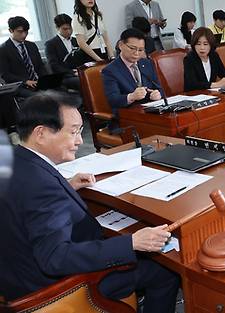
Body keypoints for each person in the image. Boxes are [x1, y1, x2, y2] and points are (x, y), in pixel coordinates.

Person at [0, 92, 180, 312]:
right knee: (165, 271)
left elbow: (25, 199)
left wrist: (66, 185)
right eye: (73, 131)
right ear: (41, 133)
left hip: (15, 276)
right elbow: (55, 258)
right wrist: (132, 242)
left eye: (80, 131)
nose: (79, 141)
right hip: (54, 289)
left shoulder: (15, 161)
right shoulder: (42, 187)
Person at [102, 29, 162, 128]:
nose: (136, 53)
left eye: (140, 50)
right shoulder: (110, 70)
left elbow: (159, 88)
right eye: (132, 48)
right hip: (127, 119)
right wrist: (131, 96)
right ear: (121, 45)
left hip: (150, 114)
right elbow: (112, 100)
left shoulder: (147, 64)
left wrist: (157, 94)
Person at [0, 16, 47, 98]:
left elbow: (40, 66)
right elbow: (6, 75)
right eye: (20, 32)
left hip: (37, 82)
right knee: (40, 97)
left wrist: (45, 80)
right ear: (11, 30)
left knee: (60, 90)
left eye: (26, 32)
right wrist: (25, 81)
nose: (24, 35)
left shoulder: (31, 45)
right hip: (20, 86)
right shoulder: (3, 49)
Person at [183, 27, 225, 92]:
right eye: (198, 44)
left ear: (211, 45)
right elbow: (192, 84)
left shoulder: (214, 56)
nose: (202, 48)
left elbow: (224, 74)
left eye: (205, 44)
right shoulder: (189, 59)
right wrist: (216, 84)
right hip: (194, 96)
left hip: (211, 95)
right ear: (193, 45)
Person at [45, 14, 80, 92]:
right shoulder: (50, 44)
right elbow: (54, 65)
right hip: (64, 76)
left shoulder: (76, 41)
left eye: (70, 28)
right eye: (65, 29)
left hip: (79, 73)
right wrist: (72, 73)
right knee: (82, 82)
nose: (69, 31)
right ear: (57, 28)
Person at [72, 0, 114, 64]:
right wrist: (99, 59)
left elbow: (106, 39)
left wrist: (112, 57)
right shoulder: (78, 18)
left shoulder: (98, 15)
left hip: (103, 51)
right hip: (90, 54)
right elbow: (81, 43)